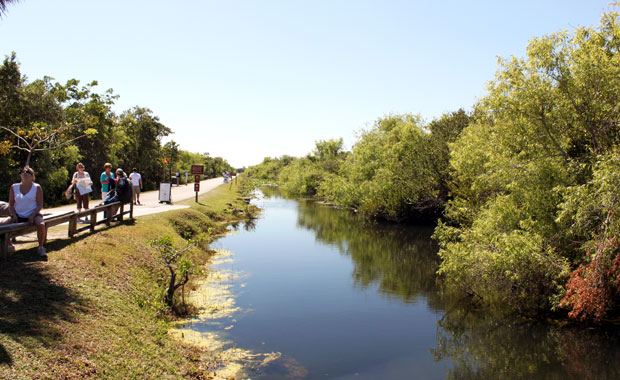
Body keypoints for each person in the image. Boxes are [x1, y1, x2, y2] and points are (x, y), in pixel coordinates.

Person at [1, 166, 46, 256]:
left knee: (41, 225)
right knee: (2, 225)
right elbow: (11, 204)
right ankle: (9, 244)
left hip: (33, 214)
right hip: (17, 214)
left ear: (32, 176)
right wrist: (13, 215)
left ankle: (40, 247)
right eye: (23, 171)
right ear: (21, 175)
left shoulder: (37, 187)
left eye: (28, 172)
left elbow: (40, 204)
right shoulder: (14, 187)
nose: (25, 173)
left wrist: (32, 216)